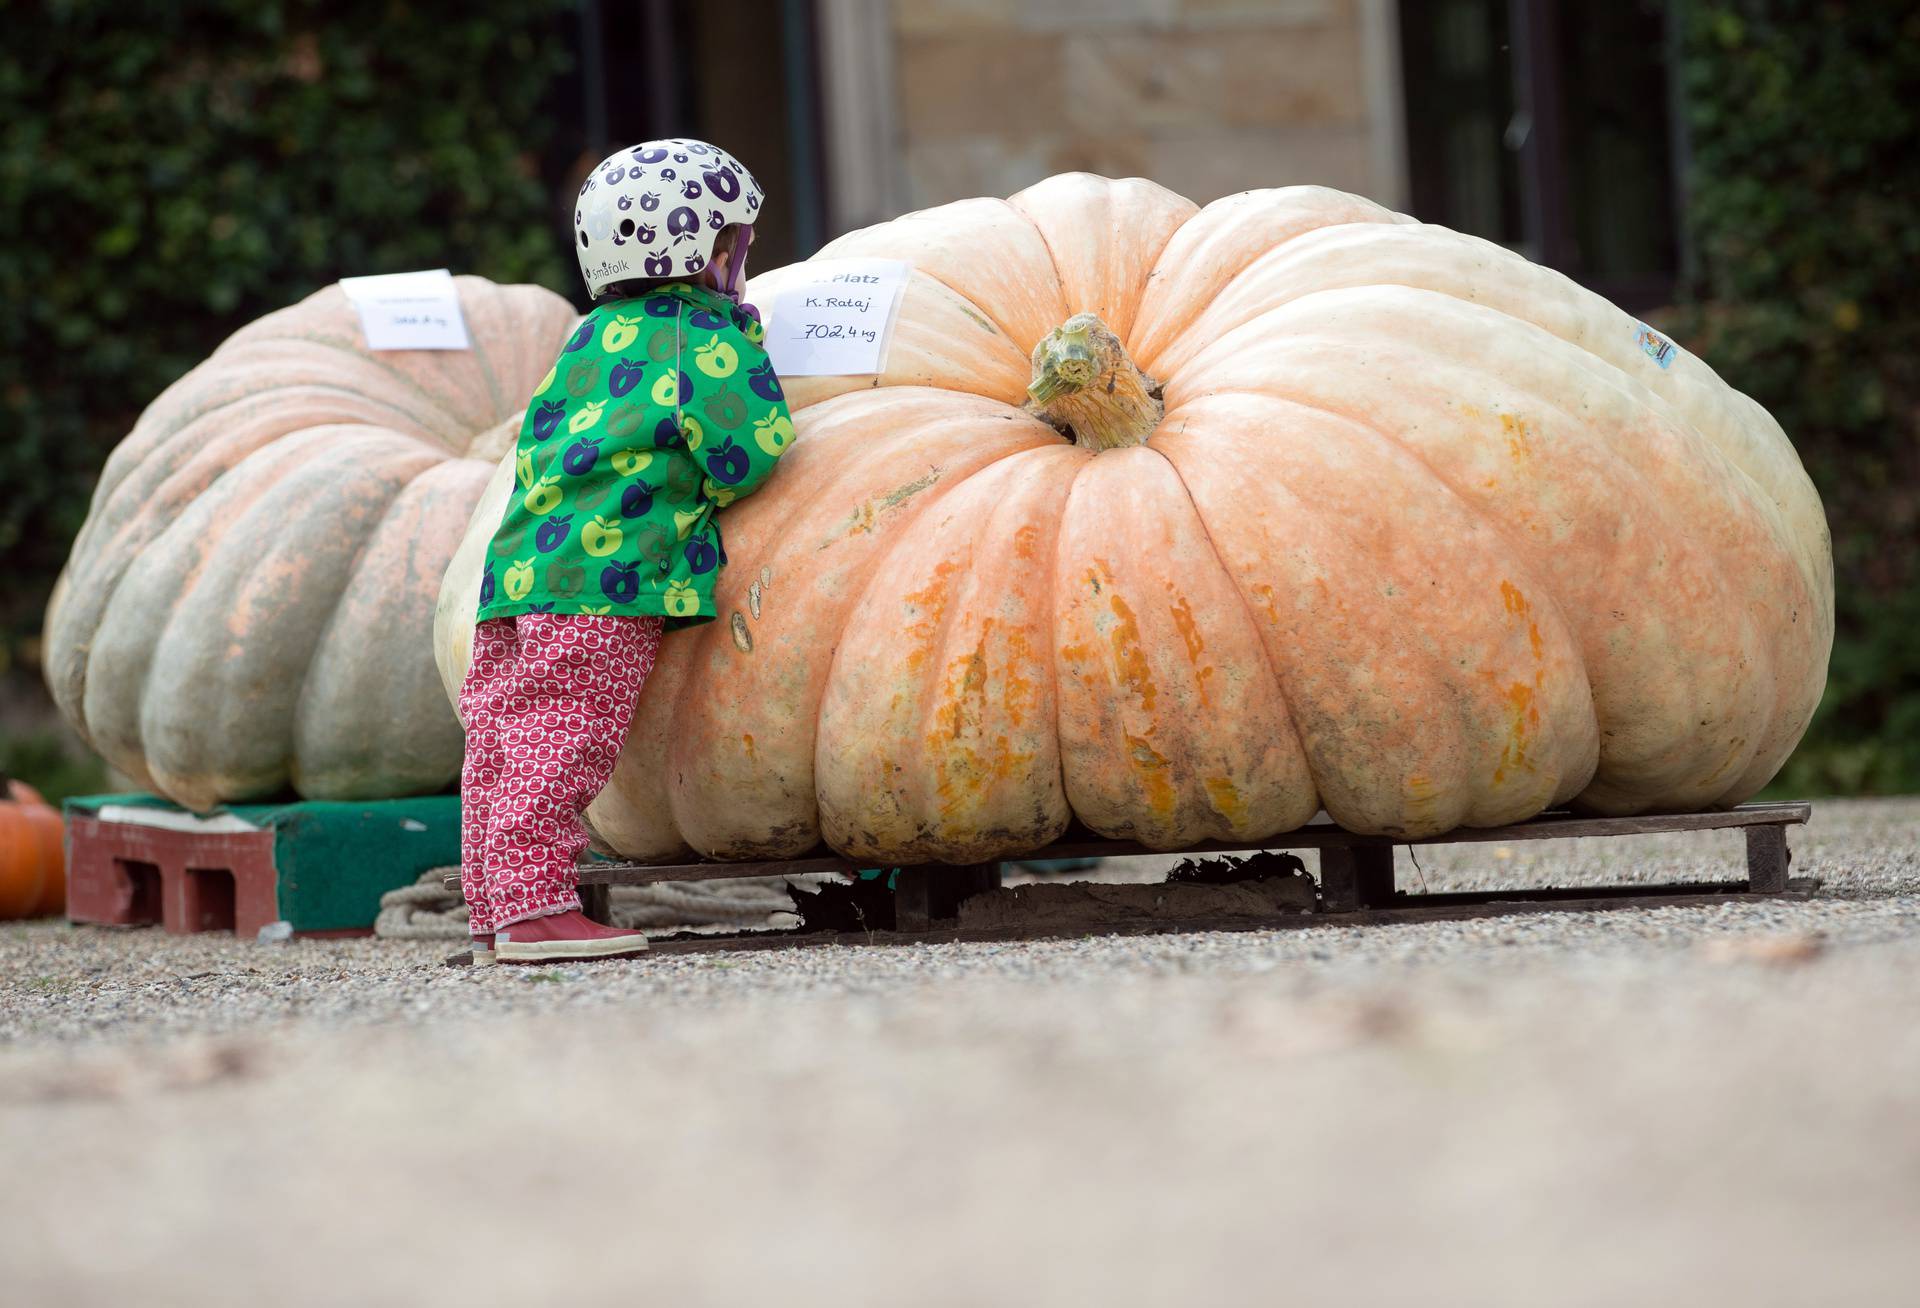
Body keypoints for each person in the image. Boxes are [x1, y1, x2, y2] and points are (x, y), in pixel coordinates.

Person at [459, 138, 795, 965]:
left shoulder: (588, 338)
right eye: (735, 243)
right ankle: (537, 912)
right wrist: (747, 351)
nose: (740, 258)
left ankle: (495, 904)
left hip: (517, 572)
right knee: (565, 734)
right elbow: (750, 452)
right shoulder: (694, 336)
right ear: (705, 251)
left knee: (501, 737)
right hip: (601, 584)